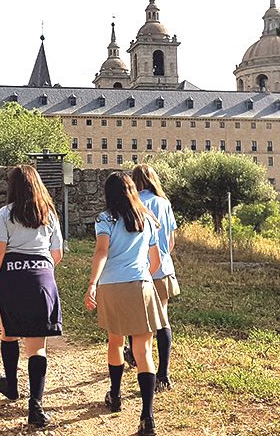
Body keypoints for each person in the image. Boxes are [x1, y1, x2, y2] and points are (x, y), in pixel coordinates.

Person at [0, 165, 65, 428]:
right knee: (37, 346)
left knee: (9, 332)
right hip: (42, 278)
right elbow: (58, 253)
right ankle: (36, 406)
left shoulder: (5, 214)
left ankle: (12, 386)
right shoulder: (49, 213)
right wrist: (41, 268)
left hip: (12, 278)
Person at [84, 172, 164, 436]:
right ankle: (147, 417)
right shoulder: (147, 220)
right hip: (140, 285)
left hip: (111, 285)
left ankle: (115, 396)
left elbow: (101, 251)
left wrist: (93, 283)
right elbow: (156, 263)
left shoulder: (104, 218)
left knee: (116, 342)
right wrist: (141, 273)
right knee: (143, 350)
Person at [123, 164, 179, 391]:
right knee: (162, 319)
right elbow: (171, 239)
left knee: (133, 318)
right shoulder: (164, 203)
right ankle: (163, 375)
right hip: (162, 268)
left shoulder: (132, 204)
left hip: (135, 269)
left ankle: (135, 357)